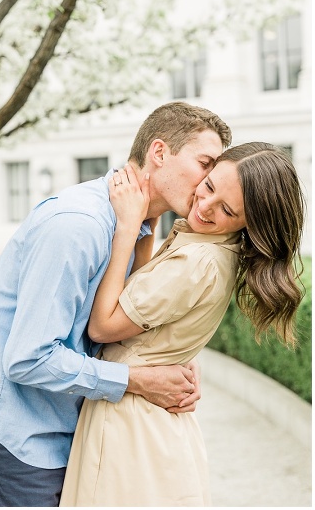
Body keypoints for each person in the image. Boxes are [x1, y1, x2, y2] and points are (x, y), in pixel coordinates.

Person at [0, 101, 233, 506]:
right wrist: (139, 381)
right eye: (204, 164)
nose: (207, 183)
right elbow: (29, 358)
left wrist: (167, 361)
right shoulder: (79, 225)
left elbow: (126, 321)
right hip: (14, 441)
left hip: (56, 435)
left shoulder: (131, 226)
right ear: (160, 153)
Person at [60, 142, 305, 506]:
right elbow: (148, 308)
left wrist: (127, 229)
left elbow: (103, 327)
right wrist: (148, 226)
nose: (205, 208)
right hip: (149, 420)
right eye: (208, 187)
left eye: (227, 210)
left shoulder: (198, 261)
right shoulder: (210, 247)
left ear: (249, 225)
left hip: (131, 426)